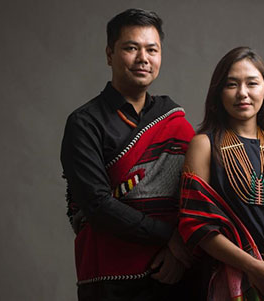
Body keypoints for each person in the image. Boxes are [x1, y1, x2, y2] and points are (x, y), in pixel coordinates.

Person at [60, 8, 195, 300]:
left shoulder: (173, 119)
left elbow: (199, 194)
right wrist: (171, 238)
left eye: (152, 49)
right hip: (111, 280)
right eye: (131, 48)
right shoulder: (85, 123)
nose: (143, 58)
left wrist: (180, 250)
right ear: (110, 54)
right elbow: (96, 206)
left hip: (178, 275)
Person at [179, 47, 264, 300]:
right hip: (224, 281)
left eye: (252, 83)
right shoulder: (204, 145)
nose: (242, 93)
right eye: (231, 84)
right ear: (218, 93)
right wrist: (251, 266)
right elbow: (195, 222)